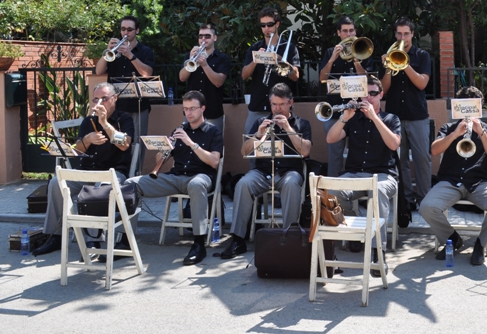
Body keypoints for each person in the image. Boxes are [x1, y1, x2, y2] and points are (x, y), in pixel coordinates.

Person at [32, 82, 135, 256]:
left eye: (104, 98)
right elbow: (77, 151)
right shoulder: (88, 121)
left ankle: (94, 239)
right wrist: (87, 140)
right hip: (87, 171)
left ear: (114, 99)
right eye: (96, 99)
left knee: (97, 189)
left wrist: (105, 124)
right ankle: (54, 236)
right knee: (56, 183)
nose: (99, 103)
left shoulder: (124, 119)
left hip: (113, 173)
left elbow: (124, 144)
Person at [126, 91, 223, 265]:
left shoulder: (213, 131)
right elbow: (160, 162)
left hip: (200, 176)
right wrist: (165, 149)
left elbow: (214, 162)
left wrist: (191, 144)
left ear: (203, 109)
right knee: (130, 184)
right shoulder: (178, 131)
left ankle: (199, 244)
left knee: (196, 184)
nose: (189, 113)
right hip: (175, 176)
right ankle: (125, 238)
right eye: (185, 109)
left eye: (192, 108)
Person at [219, 83, 312, 259]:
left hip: (289, 172)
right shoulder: (260, 122)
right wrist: (257, 135)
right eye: (273, 104)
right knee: (243, 184)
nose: (277, 109)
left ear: (290, 102)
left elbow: (306, 151)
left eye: (281, 104)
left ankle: (289, 236)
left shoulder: (302, 123)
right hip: (262, 172)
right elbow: (244, 151)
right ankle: (238, 239)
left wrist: (288, 129)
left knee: (292, 184)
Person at [419, 86, 487, 266]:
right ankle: (452, 239)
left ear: (480, 106)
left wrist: (480, 132)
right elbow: (434, 150)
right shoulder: (448, 127)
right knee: (427, 207)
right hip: (450, 181)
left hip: (479, 182)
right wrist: (454, 134)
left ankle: (480, 244)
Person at [326, 76, 400, 277]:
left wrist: (375, 118)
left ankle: (378, 251)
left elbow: (394, 144)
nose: (369, 97)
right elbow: (330, 138)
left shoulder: (391, 119)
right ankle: (355, 226)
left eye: (373, 93)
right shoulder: (353, 119)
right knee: (330, 191)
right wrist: (344, 118)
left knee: (377, 191)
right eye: (365, 94)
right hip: (354, 174)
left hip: (383, 175)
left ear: (381, 95)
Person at [381, 16, 432, 211]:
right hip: (394, 115)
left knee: (422, 158)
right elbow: (383, 89)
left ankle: (425, 200)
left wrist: (403, 63)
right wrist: (387, 67)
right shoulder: (387, 56)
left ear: (412, 35)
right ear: (395, 34)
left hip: (417, 114)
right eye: (399, 33)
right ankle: (405, 199)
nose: (403, 37)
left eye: (406, 34)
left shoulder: (422, 56)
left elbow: (421, 83)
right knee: (399, 160)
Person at [95, 15, 155, 170]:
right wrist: (108, 51)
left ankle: (135, 174)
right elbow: (99, 70)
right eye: (123, 29)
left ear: (137, 31)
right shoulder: (114, 50)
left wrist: (130, 55)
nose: (125, 33)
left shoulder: (145, 51)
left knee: (136, 142)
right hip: (116, 105)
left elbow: (147, 73)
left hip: (138, 105)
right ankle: (118, 171)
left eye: (129, 29)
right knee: (116, 139)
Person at [319, 16, 371, 177]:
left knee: (361, 152)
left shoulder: (363, 50)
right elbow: (322, 78)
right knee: (335, 154)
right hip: (336, 111)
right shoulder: (329, 52)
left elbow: (367, 79)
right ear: (338, 33)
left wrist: (356, 60)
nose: (348, 34)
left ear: (355, 32)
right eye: (345, 31)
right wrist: (332, 60)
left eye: (351, 30)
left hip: (358, 112)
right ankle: (333, 192)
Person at [241, 7, 300, 140]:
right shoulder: (255, 48)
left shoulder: (289, 47)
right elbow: (244, 75)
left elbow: (296, 76)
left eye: (270, 24)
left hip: (281, 106)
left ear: (277, 24)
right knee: (252, 145)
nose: (266, 28)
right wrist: (256, 60)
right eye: (263, 25)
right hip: (257, 105)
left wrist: (280, 60)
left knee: (282, 146)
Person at [179, 23, 231, 133]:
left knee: (213, 146)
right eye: (200, 36)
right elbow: (182, 78)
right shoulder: (190, 56)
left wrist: (205, 65)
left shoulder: (222, 58)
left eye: (207, 36)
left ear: (215, 38)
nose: (203, 39)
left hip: (212, 111)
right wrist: (191, 58)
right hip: (191, 112)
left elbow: (218, 82)